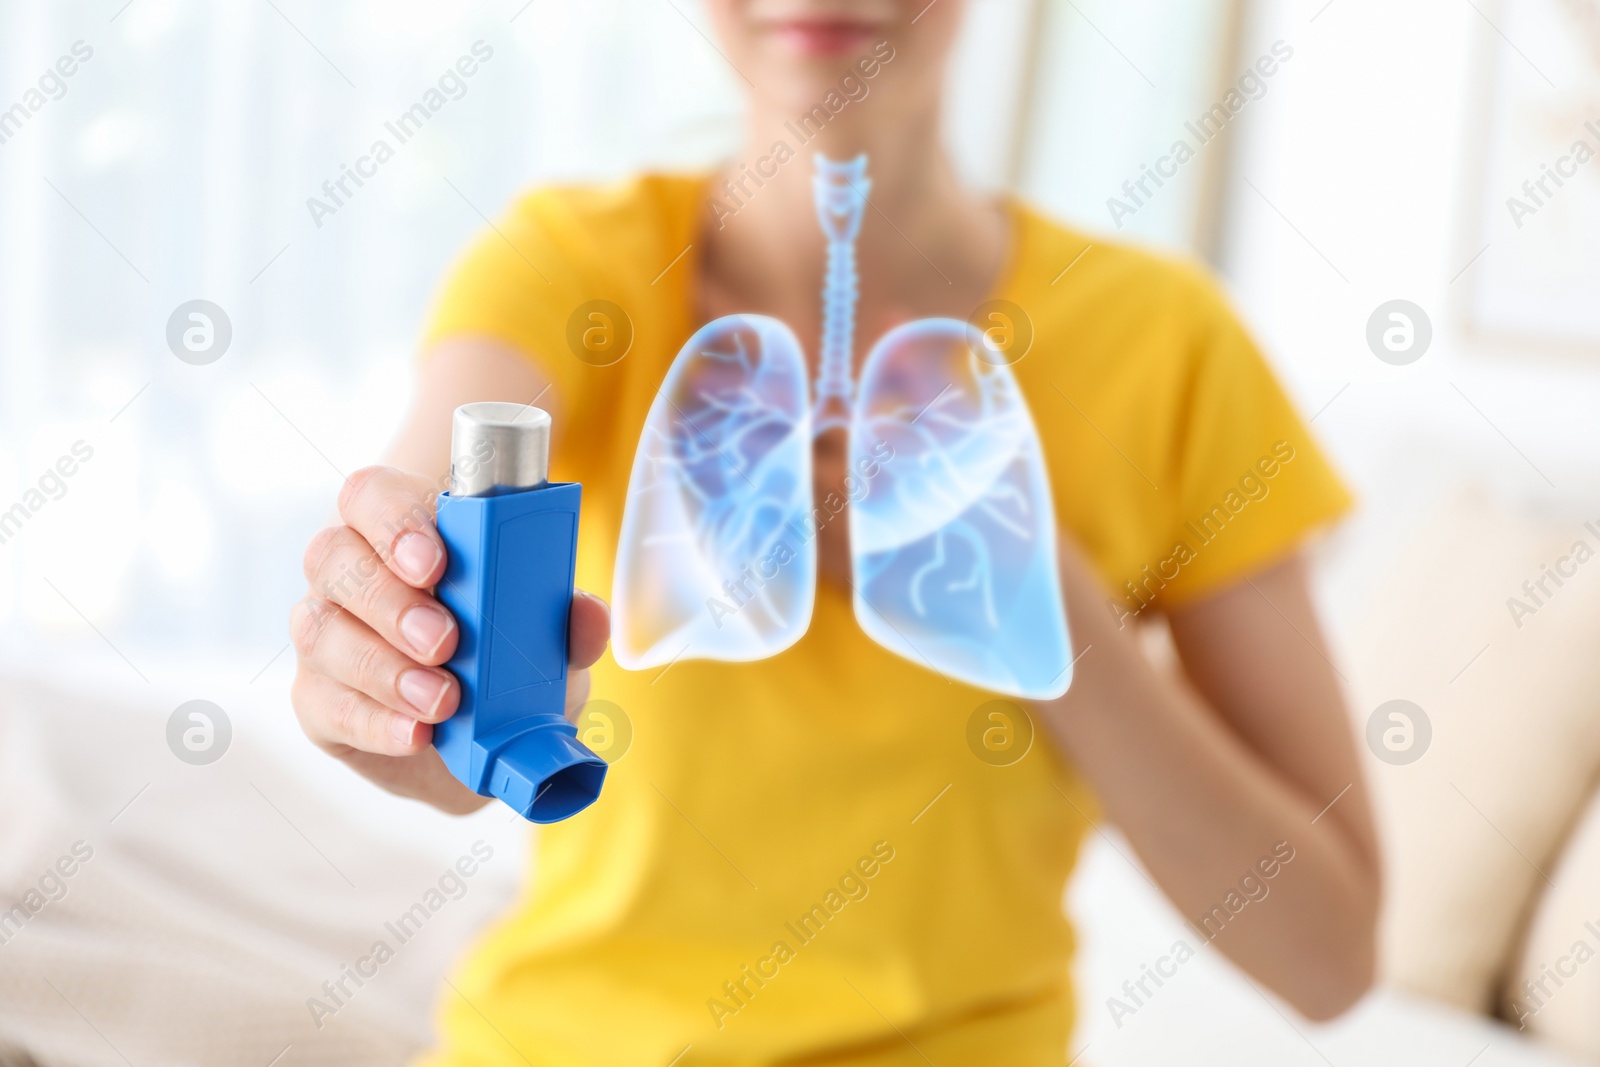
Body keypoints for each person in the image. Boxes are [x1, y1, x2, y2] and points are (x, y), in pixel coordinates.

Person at [288, 1, 1380, 1062]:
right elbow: (428, 573)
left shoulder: (1166, 346)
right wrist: (404, 673)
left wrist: (1028, 591)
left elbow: (1325, 959)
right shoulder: (570, 268)